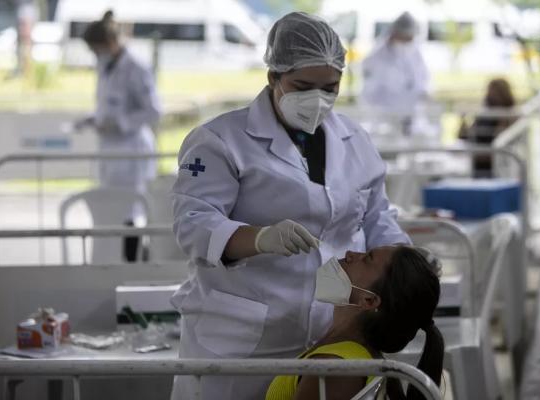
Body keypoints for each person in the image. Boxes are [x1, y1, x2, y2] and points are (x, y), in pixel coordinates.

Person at [170, 12, 410, 400]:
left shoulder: (354, 138)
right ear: (273, 77)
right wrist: (258, 239)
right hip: (239, 340)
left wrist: (405, 257)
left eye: (330, 87)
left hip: (325, 331)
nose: (318, 100)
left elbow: (377, 214)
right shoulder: (219, 141)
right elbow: (192, 224)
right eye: (303, 86)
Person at [266, 246, 444, 400]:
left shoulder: (334, 370)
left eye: (367, 258)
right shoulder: (347, 356)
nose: (351, 253)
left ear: (369, 300)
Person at [74, 10, 162, 261]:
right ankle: (118, 260)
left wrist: (119, 124)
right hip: (110, 150)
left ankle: (133, 261)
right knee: (111, 210)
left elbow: (153, 110)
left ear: (110, 42)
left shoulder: (136, 67)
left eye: (97, 49)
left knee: (131, 212)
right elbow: (108, 105)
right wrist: (95, 119)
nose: (95, 55)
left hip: (131, 150)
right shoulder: (106, 64)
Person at [360, 12, 430, 135]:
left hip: (411, 117)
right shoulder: (376, 57)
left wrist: (423, 93)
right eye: (405, 37)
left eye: (410, 38)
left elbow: (423, 79)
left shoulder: (414, 53)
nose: (408, 41)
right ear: (395, 33)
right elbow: (370, 92)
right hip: (382, 119)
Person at [458, 78, 516, 177]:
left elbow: (500, 149)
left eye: (494, 92)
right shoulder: (485, 114)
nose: (490, 95)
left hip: (493, 165)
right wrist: (463, 122)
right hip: (475, 157)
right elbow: (464, 136)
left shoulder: (509, 116)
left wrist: (476, 155)